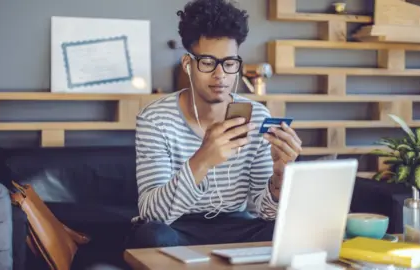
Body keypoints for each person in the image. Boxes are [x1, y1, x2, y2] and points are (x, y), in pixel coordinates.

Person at [126, 0, 302, 249]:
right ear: (188, 64)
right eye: (208, 63)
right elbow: (153, 214)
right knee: (151, 235)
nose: (220, 75)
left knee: (285, 230)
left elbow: (265, 213)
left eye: (229, 63)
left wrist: (280, 176)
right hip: (177, 228)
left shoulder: (258, 117)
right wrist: (203, 159)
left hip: (237, 227)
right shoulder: (155, 120)